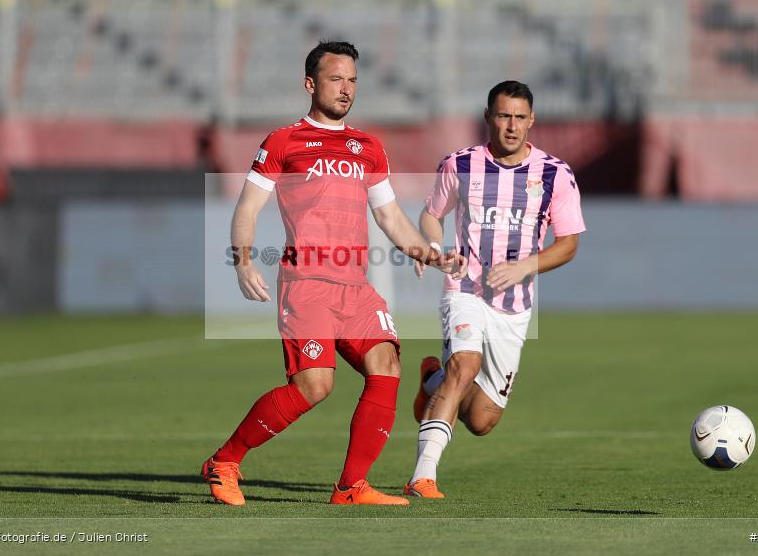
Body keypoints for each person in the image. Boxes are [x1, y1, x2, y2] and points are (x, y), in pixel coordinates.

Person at [202, 40, 466, 506]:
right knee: (314, 386)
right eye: (335, 79)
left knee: (386, 364)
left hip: (354, 286)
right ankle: (224, 461)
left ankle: (351, 487)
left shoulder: (368, 147)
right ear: (310, 84)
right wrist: (242, 259)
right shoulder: (283, 142)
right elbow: (248, 206)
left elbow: (389, 216)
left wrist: (425, 252)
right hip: (306, 285)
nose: (346, 89)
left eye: (352, 81)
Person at [404, 80, 585, 499]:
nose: (511, 126)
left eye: (520, 118)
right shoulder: (460, 164)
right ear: (488, 118)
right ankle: (423, 475)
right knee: (464, 367)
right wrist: (434, 246)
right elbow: (432, 214)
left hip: (514, 308)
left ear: (532, 120)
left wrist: (524, 266)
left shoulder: (555, 173)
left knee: (482, 420)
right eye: (503, 116)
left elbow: (569, 244)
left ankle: (431, 382)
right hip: (464, 287)